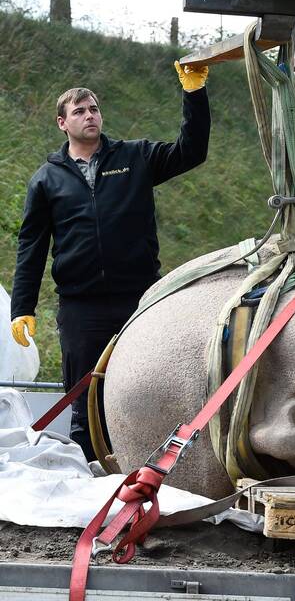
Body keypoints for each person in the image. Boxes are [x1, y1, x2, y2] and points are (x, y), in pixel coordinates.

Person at [10, 61, 210, 461]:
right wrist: (22, 309)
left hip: (139, 302)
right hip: (81, 308)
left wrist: (194, 92)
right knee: (85, 405)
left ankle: (146, 474)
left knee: (148, 390)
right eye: (80, 111)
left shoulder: (134, 157)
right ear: (62, 123)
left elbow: (192, 151)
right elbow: (31, 247)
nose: (90, 116)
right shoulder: (46, 181)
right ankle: (88, 482)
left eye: (94, 108)